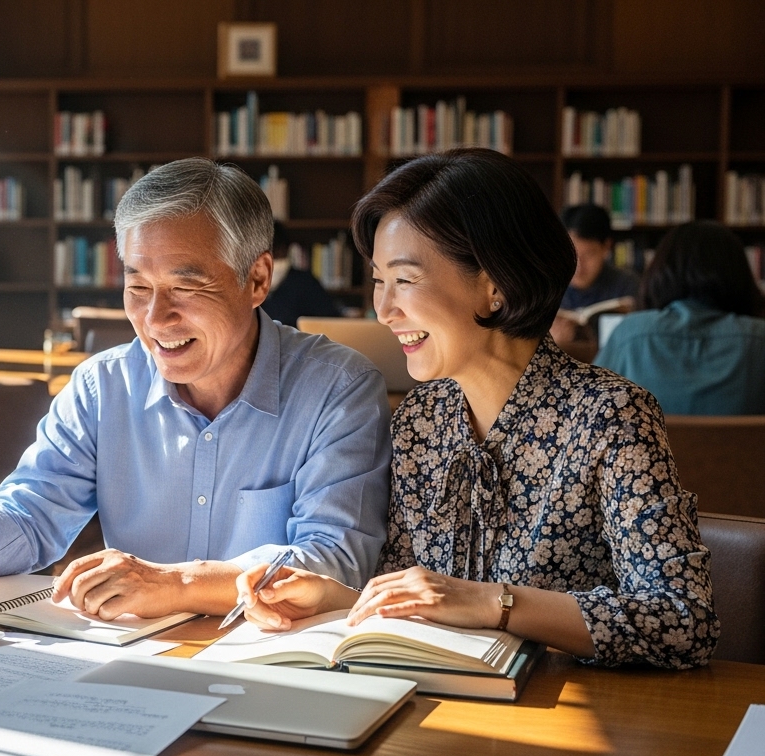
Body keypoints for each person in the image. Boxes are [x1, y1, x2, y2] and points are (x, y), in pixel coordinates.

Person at [237, 148, 718, 669]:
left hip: (566, 720)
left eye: (404, 279)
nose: (383, 309)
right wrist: (340, 598)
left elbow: (682, 619)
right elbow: (418, 598)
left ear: (494, 286)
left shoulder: (614, 416)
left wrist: (494, 603)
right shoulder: (421, 420)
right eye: (379, 280)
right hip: (440, 705)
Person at [0, 157, 392, 621]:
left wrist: (176, 585)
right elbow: (30, 519)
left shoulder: (338, 389)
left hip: (275, 665)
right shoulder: (103, 387)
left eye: (185, 287)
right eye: (137, 286)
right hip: (131, 660)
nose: (154, 317)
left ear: (257, 280)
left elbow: (334, 562)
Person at [595, 221, 765, 415]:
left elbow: (588, 412)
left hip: (651, 446)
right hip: (742, 447)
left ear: (660, 271)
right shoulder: (759, 339)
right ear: (741, 275)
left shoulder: (630, 334)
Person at [551, 204, 638, 347]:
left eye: (589, 254)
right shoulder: (546, 286)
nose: (579, 265)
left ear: (606, 247)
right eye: (570, 254)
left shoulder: (627, 286)